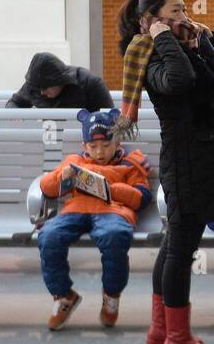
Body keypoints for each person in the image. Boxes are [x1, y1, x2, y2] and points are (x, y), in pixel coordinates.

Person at [117, 0, 214, 344]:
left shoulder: (188, 45)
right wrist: (164, 38)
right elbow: (180, 81)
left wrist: (205, 41)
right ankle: (178, 340)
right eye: (173, 12)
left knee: (175, 243)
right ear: (151, 20)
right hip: (187, 162)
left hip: (206, 159)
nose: (184, 17)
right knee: (180, 249)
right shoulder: (151, 55)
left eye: (183, 8)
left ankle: (161, 332)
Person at [36, 108, 152, 331]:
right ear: (84, 145)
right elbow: (46, 189)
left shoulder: (130, 163)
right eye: (93, 147)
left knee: (115, 236)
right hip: (76, 210)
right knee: (49, 235)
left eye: (106, 146)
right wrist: (63, 176)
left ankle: (111, 295)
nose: (100, 152)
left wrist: (112, 190)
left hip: (114, 211)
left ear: (116, 142)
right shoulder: (75, 161)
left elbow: (142, 198)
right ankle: (63, 296)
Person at [6, 52, 113, 111]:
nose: (42, 92)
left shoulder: (89, 83)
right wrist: (16, 116)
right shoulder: (34, 86)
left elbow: (108, 116)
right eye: (39, 88)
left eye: (45, 87)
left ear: (59, 81)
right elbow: (13, 103)